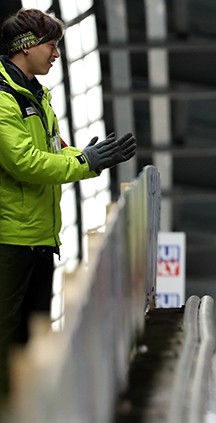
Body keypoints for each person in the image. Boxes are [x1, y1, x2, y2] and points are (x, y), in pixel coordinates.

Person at [0, 8, 136, 397]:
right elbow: (24, 162)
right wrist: (84, 163)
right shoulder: (3, 99)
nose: (57, 53)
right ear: (26, 47)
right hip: (10, 241)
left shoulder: (37, 95)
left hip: (40, 239)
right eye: (51, 44)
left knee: (33, 337)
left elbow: (52, 149)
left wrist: (89, 158)